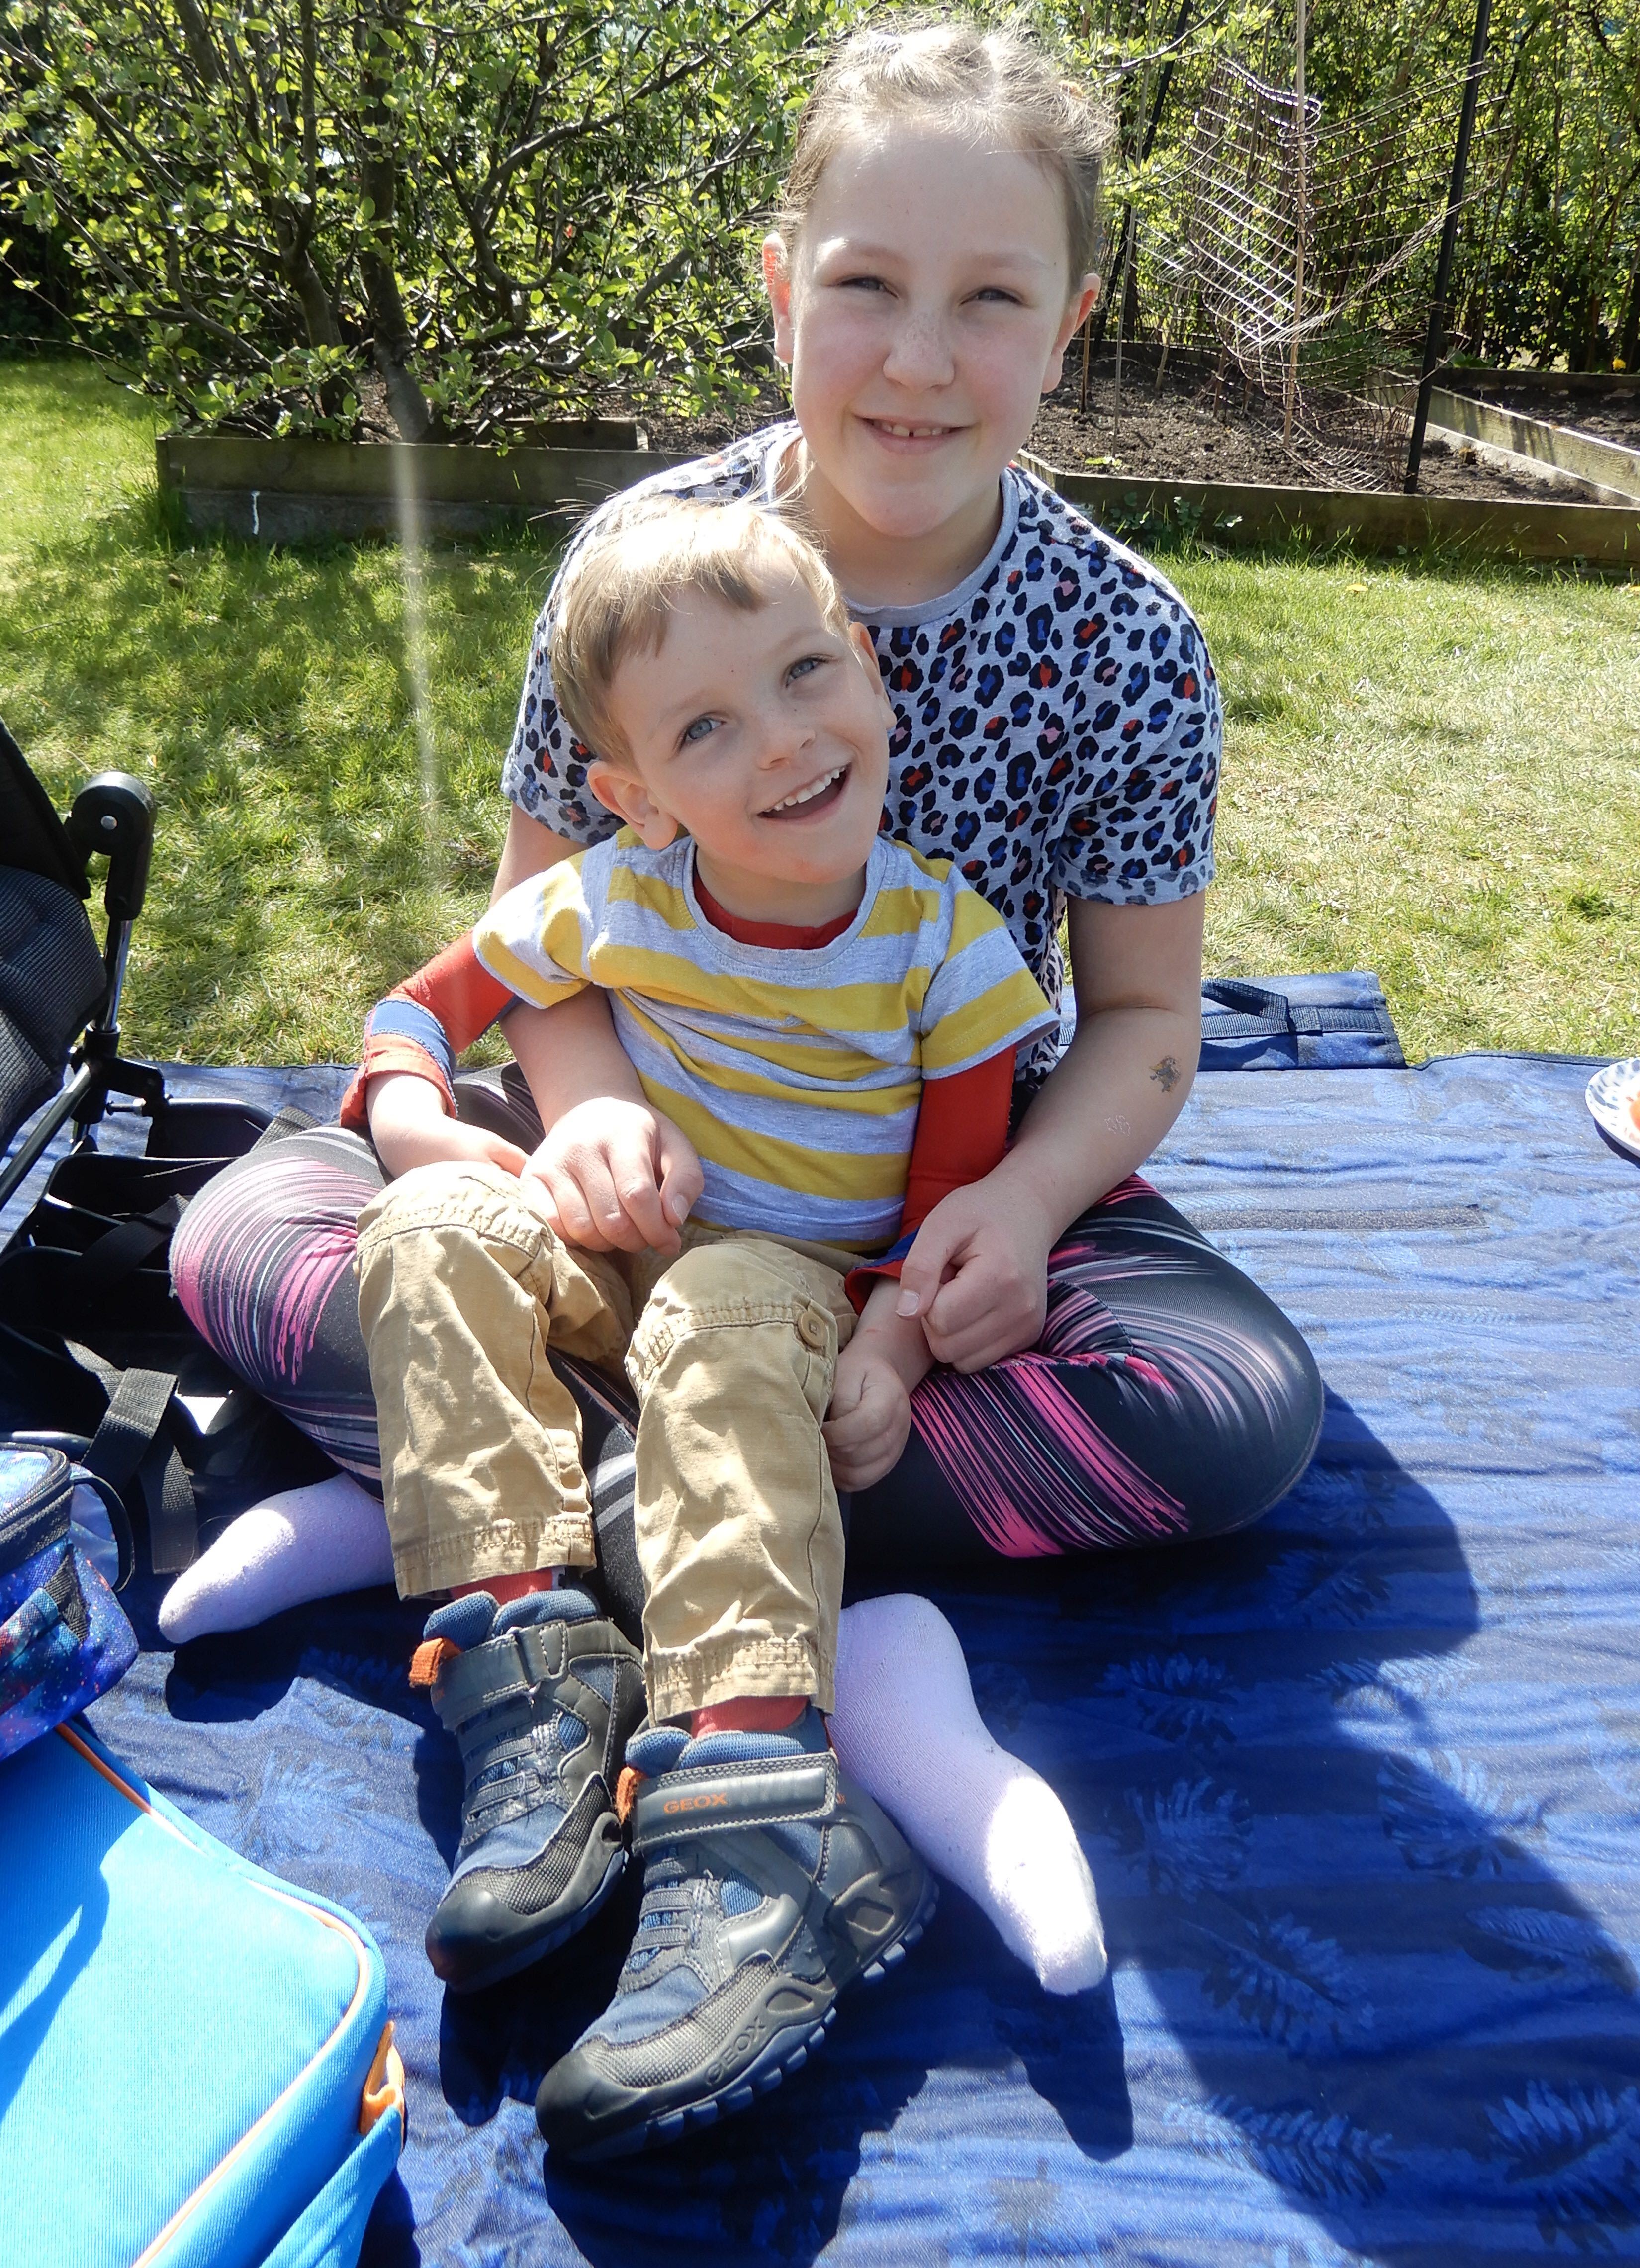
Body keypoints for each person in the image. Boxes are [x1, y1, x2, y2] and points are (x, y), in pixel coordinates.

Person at [162, 5, 1320, 2024]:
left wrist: (1028, 1214)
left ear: (1074, 323)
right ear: (787, 288)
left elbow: (1139, 1023)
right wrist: (589, 1119)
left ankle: (461, 1501)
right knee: (239, 1243)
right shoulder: (636, 572)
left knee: (1235, 1419)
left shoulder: (1129, 640)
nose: (920, 358)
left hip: (912, 1197)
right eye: (866, 287)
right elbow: (549, 932)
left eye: (991, 300)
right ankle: (774, 1619)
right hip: (636, 1176)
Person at [327, 497, 1080, 2156]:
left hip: (786, 1286)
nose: (788, 743)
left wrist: (890, 1350)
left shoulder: (945, 946)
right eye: (707, 727)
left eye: (811, 675)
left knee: (736, 1300)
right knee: (435, 1222)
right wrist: (403, 1112)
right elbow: (417, 1006)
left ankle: (761, 1803)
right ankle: (535, 1664)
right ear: (635, 793)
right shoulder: (610, 895)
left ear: (873, 673)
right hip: (619, 1264)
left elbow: (941, 1207)